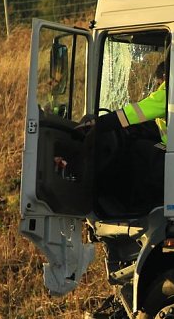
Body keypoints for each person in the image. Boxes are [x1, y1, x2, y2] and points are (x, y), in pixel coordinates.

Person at [56, 60, 167, 214]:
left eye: (158, 83)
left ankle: (143, 207)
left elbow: (132, 114)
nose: (156, 87)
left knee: (141, 150)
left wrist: (98, 124)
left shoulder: (168, 94)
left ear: (165, 76)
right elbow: (152, 124)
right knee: (142, 145)